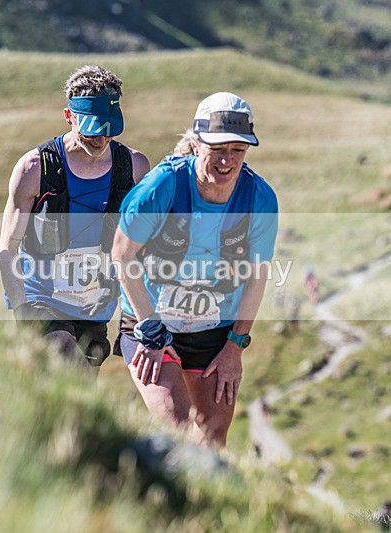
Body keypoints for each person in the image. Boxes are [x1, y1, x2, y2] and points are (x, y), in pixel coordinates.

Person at [111, 92, 279, 447]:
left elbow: (257, 275)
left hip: (215, 335)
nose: (226, 160)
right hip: (152, 324)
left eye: (238, 150)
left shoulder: (259, 199)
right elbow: (122, 256)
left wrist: (235, 347)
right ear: (196, 141)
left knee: (213, 440)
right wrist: (151, 330)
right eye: (217, 148)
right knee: (177, 425)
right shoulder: (162, 186)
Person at [0, 65, 151, 369]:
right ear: (69, 116)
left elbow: (141, 250)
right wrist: (21, 310)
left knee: (78, 401)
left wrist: (137, 316)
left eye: (109, 128)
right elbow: (8, 248)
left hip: (95, 309)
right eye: (93, 129)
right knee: (71, 369)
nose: (101, 139)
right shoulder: (33, 169)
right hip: (41, 302)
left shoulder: (134, 167)